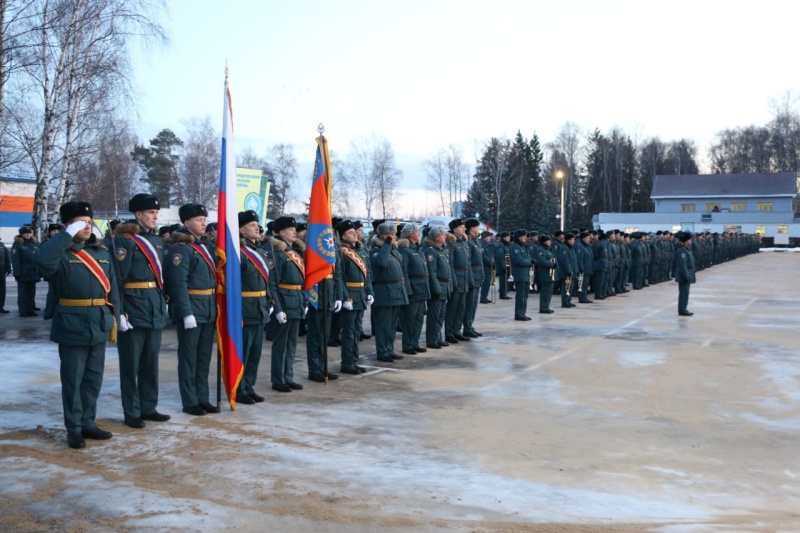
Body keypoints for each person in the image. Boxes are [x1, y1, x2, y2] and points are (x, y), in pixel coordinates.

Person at [35, 201, 121, 450]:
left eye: (88, 221)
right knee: (73, 380)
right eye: (79, 222)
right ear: (68, 226)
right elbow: (43, 261)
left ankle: (88, 423)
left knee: (93, 378)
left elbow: (112, 288)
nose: (86, 226)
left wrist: (118, 315)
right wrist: (66, 236)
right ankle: (73, 428)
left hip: (99, 320)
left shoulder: (101, 252)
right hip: (72, 323)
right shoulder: (60, 251)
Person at [113, 193, 171, 428]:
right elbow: (117, 279)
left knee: (150, 362)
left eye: (156, 213)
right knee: (131, 364)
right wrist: (120, 312)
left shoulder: (156, 241)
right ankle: (132, 411)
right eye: (150, 213)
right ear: (138, 215)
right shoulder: (125, 241)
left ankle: (149, 406)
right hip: (133, 307)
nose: (155, 216)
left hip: (153, 306)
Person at [165, 203, 219, 415]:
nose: (203, 223)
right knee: (188, 357)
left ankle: (202, 397)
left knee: (204, 356)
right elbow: (178, 283)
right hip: (192, 309)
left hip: (207, 308)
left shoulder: (203, 247)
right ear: (186, 223)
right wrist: (186, 312)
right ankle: (189, 400)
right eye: (199, 220)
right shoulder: (181, 249)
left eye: (204, 219)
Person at [267, 216, 307, 392]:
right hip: (284, 301)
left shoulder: (294, 252)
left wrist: (303, 301)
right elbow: (272, 284)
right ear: (282, 232)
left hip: (296, 300)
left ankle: (288, 376)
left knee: (291, 344)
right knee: (281, 344)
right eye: (291, 230)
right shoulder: (277, 254)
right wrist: (277, 308)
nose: (295, 232)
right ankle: (278, 379)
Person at [235, 210, 271, 402]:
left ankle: (249, 385)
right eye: (251, 225)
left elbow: (267, 281)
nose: (257, 227)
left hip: (259, 307)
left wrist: (269, 302)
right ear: (241, 230)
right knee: (244, 351)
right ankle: (239, 388)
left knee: (255, 352)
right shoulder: (239, 252)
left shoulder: (259, 251)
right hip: (245, 308)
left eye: (257, 224)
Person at [336, 220, 373, 374]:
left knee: (357, 330)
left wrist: (370, 291)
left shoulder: (361, 251)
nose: (355, 235)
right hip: (350, 295)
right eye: (350, 233)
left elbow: (368, 274)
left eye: (354, 232)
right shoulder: (341, 252)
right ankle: (347, 362)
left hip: (361, 294)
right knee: (349, 331)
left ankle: (354, 360)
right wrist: (344, 298)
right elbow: (339, 277)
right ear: (343, 236)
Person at [369, 221, 408, 363]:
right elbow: (382, 263)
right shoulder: (376, 250)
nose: (395, 236)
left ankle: (389, 349)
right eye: (392, 234)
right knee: (383, 324)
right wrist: (386, 245)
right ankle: (382, 351)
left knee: (392, 324)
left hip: (396, 291)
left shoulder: (393, 250)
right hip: (384, 292)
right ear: (385, 235)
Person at [397, 223, 430, 355]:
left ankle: (415, 342)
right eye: (417, 232)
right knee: (410, 318)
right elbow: (404, 272)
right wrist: (408, 290)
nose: (419, 234)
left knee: (419, 318)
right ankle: (408, 344)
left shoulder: (418, 249)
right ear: (411, 235)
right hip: (414, 289)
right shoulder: (405, 250)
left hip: (422, 288)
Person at [444, 218, 471, 343]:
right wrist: (453, 281)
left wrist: (470, 279)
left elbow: (468, 263)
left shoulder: (464, 242)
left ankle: (457, 330)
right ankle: (449, 332)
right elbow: (451, 265)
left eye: (464, 227)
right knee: (452, 307)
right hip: (457, 278)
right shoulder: (451, 243)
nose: (464, 229)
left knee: (461, 307)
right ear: (454, 229)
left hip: (464, 278)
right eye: (461, 227)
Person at [11, 225, 41, 316]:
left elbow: (39, 256)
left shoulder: (34, 243)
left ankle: (31, 309)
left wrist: (40, 271)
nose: (28, 235)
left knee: (31, 292)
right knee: (23, 293)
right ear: (21, 234)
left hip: (33, 271)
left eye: (29, 233)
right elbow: (15, 260)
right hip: (23, 272)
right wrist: (17, 273)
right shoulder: (18, 244)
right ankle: (23, 310)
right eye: (25, 233)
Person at [462, 218, 484, 337]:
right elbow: (469, 262)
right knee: (469, 303)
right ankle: (467, 327)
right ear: (471, 228)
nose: (478, 229)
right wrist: (471, 277)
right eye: (476, 226)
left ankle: (470, 325)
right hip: (472, 276)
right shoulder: (469, 242)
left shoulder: (476, 241)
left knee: (474, 303)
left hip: (478, 274)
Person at [509, 229, 532, 321]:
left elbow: (528, 257)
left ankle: (522, 313)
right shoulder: (515, 247)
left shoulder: (523, 247)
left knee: (525, 296)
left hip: (525, 274)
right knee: (520, 296)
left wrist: (529, 261)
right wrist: (530, 262)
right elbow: (519, 260)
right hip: (520, 274)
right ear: (519, 237)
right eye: (524, 236)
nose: (526, 238)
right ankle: (518, 314)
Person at [673, 231, 696, 316]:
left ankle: (683, 308)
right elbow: (683, 265)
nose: (691, 241)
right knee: (683, 293)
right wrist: (686, 276)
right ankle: (682, 309)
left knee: (685, 293)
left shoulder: (686, 249)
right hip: (685, 274)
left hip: (688, 273)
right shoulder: (681, 250)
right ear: (686, 241)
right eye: (689, 239)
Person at [533, 234, 556, 314]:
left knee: (549, 291)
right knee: (545, 291)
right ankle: (543, 307)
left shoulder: (548, 250)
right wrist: (552, 265)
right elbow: (541, 261)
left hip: (550, 273)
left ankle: (546, 306)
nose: (550, 242)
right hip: (545, 273)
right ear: (545, 242)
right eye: (549, 240)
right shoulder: (541, 250)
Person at [479, 231, 495, 304]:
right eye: (489, 237)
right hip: (485, 267)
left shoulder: (488, 245)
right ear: (485, 237)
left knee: (488, 283)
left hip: (489, 267)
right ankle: (483, 298)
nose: (490, 238)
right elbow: (483, 256)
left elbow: (491, 255)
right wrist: (491, 263)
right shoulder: (482, 245)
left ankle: (485, 297)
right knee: (486, 283)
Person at [0, 237, 10, 313]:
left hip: (1, 270)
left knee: (2, 290)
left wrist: (8, 268)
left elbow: (7, 257)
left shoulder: (2, 245)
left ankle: (0, 306)